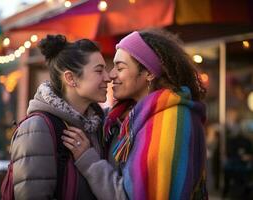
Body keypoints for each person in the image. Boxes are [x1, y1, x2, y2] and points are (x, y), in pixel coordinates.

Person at [62, 29, 208, 199]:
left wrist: (88, 160)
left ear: (150, 73)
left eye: (120, 67)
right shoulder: (126, 117)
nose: (111, 75)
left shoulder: (170, 121)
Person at [10, 34, 110, 199]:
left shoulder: (97, 124)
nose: (108, 78)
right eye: (99, 70)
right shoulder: (37, 128)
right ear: (70, 78)